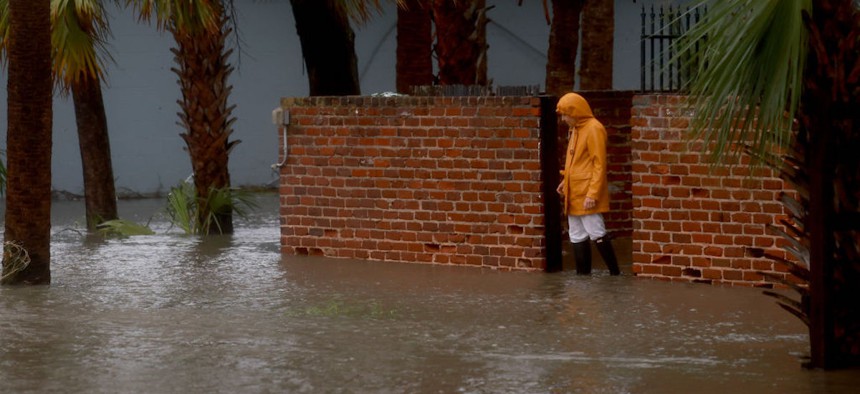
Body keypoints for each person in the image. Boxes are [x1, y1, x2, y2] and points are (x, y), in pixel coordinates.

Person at [555, 92, 620, 275]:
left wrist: (592, 193)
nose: (563, 119)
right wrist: (565, 180)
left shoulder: (593, 128)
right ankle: (583, 276)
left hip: (586, 191)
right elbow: (577, 162)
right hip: (574, 190)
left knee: (596, 230)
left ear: (574, 112)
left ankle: (614, 273)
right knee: (576, 234)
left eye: (565, 114)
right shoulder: (576, 129)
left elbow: (599, 164)